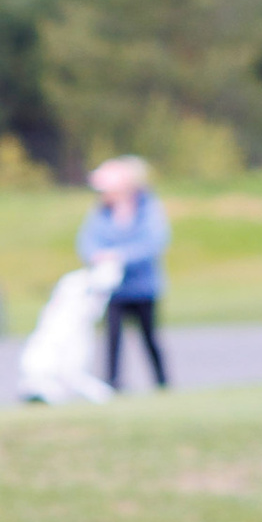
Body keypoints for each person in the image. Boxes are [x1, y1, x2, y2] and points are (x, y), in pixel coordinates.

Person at [79, 156, 170, 388]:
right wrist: (98, 256)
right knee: (112, 339)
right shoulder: (100, 213)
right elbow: (87, 242)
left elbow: (153, 243)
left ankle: (162, 383)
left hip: (143, 287)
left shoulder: (147, 209)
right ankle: (113, 384)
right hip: (113, 289)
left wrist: (119, 256)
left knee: (149, 337)